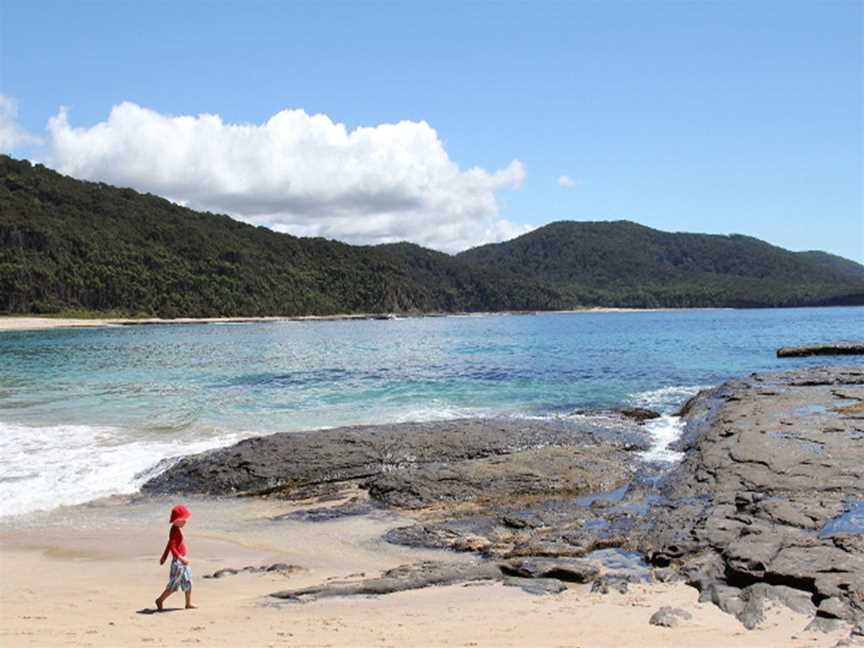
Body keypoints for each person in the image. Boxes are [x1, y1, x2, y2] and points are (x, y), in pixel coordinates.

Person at [155, 504, 196, 611]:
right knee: (173, 586)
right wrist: (181, 559)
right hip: (178, 563)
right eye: (183, 520)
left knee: (188, 582)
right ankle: (160, 600)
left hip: (181, 561)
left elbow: (169, 544)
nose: (185, 522)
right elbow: (173, 548)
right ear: (176, 520)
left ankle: (188, 603)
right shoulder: (174, 531)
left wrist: (164, 556)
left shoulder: (176, 529)